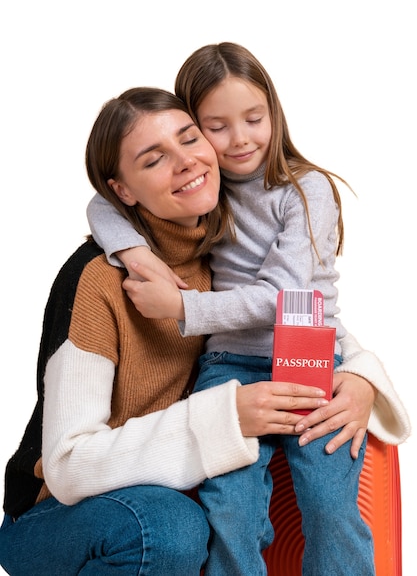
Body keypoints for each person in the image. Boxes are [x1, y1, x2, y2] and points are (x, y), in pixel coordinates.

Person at [86, 44, 411, 576]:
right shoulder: (206, 190)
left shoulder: (305, 190)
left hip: (306, 356)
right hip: (229, 367)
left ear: (273, 115)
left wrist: (182, 307)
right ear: (193, 128)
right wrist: (135, 250)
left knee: (330, 508)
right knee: (231, 509)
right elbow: (104, 201)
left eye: (253, 119)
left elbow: (285, 298)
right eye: (216, 126)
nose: (239, 139)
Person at [0, 87, 338, 576]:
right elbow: (68, 466)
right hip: (58, 514)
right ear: (124, 190)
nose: (185, 162)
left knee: (202, 517)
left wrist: (361, 379)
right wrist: (225, 417)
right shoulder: (96, 279)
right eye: (155, 159)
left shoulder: (220, 255)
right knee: (168, 528)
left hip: (160, 491)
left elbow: (300, 306)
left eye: (190, 138)